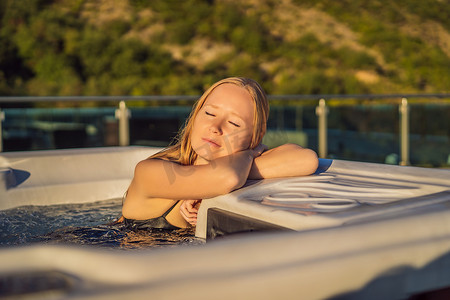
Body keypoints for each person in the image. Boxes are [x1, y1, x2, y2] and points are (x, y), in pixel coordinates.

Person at [120, 77, 318, 230]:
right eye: (209, 113)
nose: (216, 127)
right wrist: (249, 155)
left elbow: (306, 160)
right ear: (195, 116)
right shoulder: (150, 172)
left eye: (234, 123)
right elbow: (228, 176)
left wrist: (211, 183)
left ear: (255, 137)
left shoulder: (239, 166)